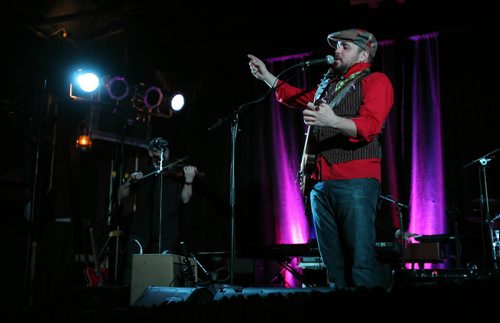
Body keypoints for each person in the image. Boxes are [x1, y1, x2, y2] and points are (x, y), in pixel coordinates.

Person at [248, 28, 394, 290]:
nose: (336, 51)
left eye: (344, 47)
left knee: (360, 262)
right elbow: (296, 97)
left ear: (364, 53)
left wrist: (333, 121)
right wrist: (267, 76)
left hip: (355, 181)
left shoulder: (376, 81)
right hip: (320, 184)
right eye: (336, 46)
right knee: (333, 266)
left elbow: (370, 126)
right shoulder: (328, 86)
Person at [117, 137, 198, 286]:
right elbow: (121, 194)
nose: (162, 153)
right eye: (157, 149)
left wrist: (189, 180)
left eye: (165, 149)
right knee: (132, 268)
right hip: (141, 230)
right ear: (150, 152)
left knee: (161, 272)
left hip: (167, 231)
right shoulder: (144, 174)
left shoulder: (175, 175)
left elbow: (185, 199)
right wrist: (130, 181)